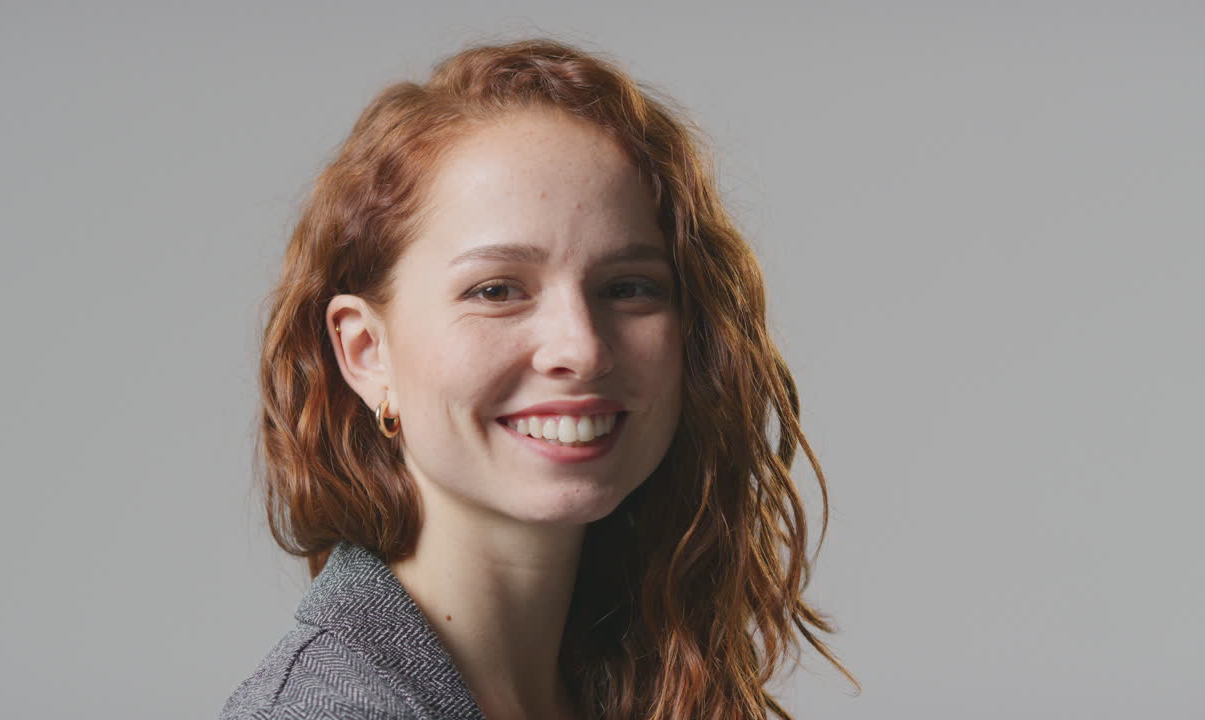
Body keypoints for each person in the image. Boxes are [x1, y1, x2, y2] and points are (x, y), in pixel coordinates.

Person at [219, 37, 858, 720]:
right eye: (497, 290)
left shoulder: (624, 678)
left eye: (629, 287)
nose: (581, 348)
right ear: (368, 352)